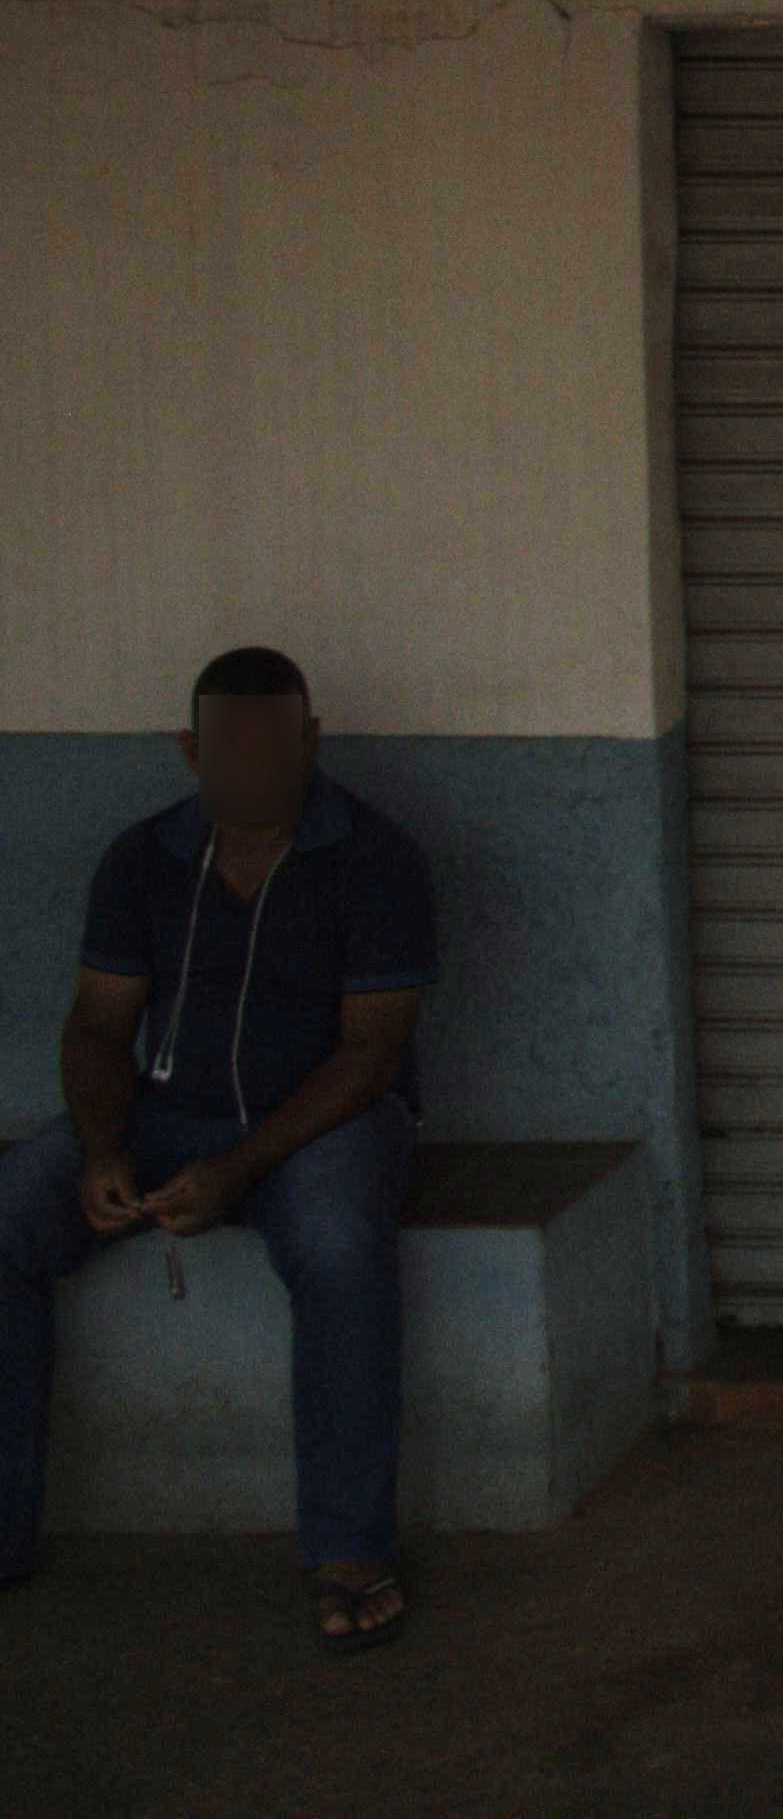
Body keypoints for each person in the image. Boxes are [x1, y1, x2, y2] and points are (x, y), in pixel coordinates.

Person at [0, 647, 436, 1650]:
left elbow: (372, 1055)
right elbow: (98, 1026)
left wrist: (237, 1169)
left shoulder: (377, 860)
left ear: (310, 742)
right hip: (168, 1116)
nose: (251, 770)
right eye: (229, 751)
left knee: (339, 1250)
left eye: (273, 748)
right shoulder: (143, 859)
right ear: (191, 751)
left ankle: (349, 1551)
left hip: (328, 1122)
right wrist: (104, 1151)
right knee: (11, 1214)